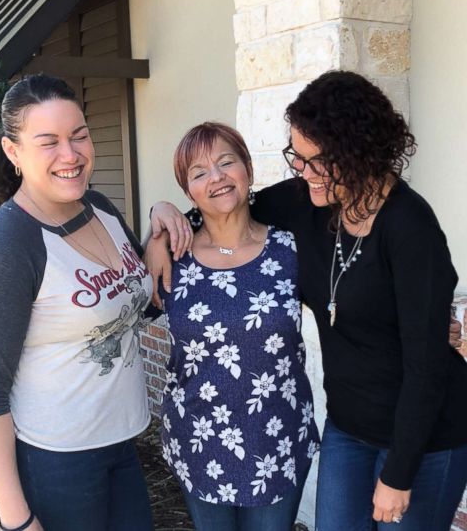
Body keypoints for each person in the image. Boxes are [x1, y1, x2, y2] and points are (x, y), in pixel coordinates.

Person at [146, 71, 467, 530]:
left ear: (361, 151)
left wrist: (398, 475)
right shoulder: (307, 204)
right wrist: (164, 224)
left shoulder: (410, 227)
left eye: (318, 161)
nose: (303, 172)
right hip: (349, 429)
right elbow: (229, 204)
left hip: (424, 437)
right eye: (298, 157)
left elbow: (428, 364)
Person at [0, 74, 189, 531]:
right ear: (14, 152)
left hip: (121, 443)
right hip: (57, 461)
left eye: (79, 135)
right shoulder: (8, 245)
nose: (70, 155)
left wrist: (162, 221)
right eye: (48, 142)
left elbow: (137, 306)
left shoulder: (101, 207)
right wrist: (17, 520)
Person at [159, 122, 319, 530]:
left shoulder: (290, 248)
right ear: (188, 191)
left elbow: (349, 299)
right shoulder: (169, 256)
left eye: (226, 162)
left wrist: (419, 319)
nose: (216, 177)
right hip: (199, 441)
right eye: (198, 172)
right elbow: (115, 304)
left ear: (247, 168)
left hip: (276, 440)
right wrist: (156, 219)